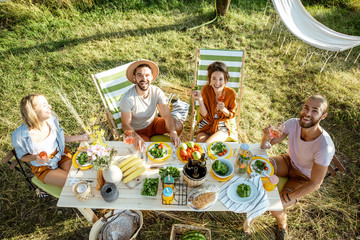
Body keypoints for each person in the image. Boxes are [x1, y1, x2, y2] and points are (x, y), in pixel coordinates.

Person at [259, 95, 335, 240]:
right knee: (258, 167)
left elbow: (316, 183)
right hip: (288, 161)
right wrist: (266, 137)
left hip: (304, 177)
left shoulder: (324, 146)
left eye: (315, 111)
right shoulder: (292, 124)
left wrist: (287, 199)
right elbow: (265, 146)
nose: (307, 113)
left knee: (275, 207)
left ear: (323, 116)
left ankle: (282, 225)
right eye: (306, 107)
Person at [11, 94, 89, 187]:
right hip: (43, 168)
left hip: (60, 155)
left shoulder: (51, 119)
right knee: (73, 182)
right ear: (33, 111)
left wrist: (80, 137)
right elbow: (21, 157)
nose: (50, 107)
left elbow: (60, 137)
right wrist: (35, 157)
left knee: (82, 175)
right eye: (44, 105)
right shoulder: (20, 136)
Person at [119, 59, 182, 148]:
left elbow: (167, 115)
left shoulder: (156, 91)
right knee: (144, 149)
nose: (144, 79)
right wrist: (135, 136)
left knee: (177, 126)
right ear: (134, 77)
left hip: (153, 123)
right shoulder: (127, 98)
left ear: (152, 77)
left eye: (147, 75)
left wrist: (173, 132)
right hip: (138, 131)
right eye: (139, 75)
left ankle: (174, 144)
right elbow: (125, 125)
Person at [192, 61, 236, 143]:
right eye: (214, 78)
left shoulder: (231, 94)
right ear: (210, 79)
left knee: (208, 145)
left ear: (226, 80)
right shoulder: (206, 90)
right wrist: (200, 99)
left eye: (220, 79)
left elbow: (231, 115)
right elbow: (204, 114)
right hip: (207, 123)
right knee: (199, 146)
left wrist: (223, 109)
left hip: (222, 125)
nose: (217, 82)